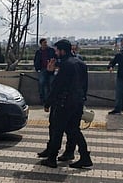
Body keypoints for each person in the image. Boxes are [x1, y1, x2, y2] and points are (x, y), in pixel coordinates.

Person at [40, 39, 92, 169]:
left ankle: (52, 158)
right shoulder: (80, 63)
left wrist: (48, 103)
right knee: (74, 130)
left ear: (63, 51)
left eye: (57, 50)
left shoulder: (66, 65)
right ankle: (84, 156)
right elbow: (85, 85)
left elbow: (57, 86)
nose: (56, 52)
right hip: (78, 102)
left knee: (57, 130)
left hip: (64, 103)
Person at [33, 38, 56, 104]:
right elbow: (36, 60)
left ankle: (50, 99)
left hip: (51, 70)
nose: (46, 44)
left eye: (46, 42)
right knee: (42, 83)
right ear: (41, 44)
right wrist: (37, 68)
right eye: (44, 43)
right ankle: (43, 99)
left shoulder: (51, 50)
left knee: (51, 84)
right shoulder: (38, 52)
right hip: (42, 69)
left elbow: (55, 57)